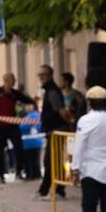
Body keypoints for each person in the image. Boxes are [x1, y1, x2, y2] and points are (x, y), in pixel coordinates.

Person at [0, 73, 33, 181]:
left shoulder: (15, 93)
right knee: (0, 150)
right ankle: (1, 175)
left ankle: (19, 171)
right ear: (6, 80)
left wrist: (32, 104)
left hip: (12, 126)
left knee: (19, 147)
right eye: (12, 80)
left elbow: (27, 100)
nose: (14, 82)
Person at [36, 64, 69, 197]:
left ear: (50, 76)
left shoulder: (53, 91)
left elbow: (61, 111)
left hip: (56, 131)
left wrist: (69, 124)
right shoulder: (49, 91)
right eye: (39, 75)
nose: (41, 78)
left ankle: (45, 190)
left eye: (43, 75)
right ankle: (59, 189)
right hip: (52, 131)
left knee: (50, 160)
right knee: (53, 160)